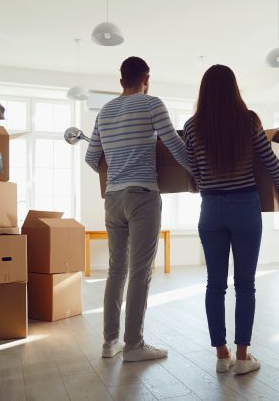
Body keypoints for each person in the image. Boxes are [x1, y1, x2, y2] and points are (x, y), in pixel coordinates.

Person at [183, 64, 279, 375]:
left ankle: (221, 354)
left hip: (211, 208)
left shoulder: (192, 126)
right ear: (234, 89)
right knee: (245, 285)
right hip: (245, 206)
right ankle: (243, 357)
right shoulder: (248, 121)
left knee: (214, 285)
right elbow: (271, 162)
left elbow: (194, 172)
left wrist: (207, 179)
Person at [85, 56, 191, 362]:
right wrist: (196, 173)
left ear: (121, 81)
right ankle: (133, 345)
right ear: (147, 79)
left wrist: (117, 159)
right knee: (140, 272)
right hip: (142, 196)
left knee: (116, 271)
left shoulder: (104, 111)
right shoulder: (151, 103)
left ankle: (109, 343)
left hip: (113, 199)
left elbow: (92, 159)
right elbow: (173, 144)